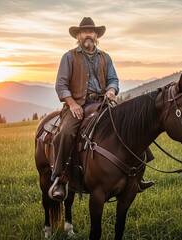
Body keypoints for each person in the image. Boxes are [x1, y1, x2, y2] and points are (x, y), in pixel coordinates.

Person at [49, 17, 153, 201]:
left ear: (96, 35)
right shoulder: (69, 56)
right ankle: (60, 178)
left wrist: (111, 90)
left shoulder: (105, 57)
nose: (88, 34)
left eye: (92, 31)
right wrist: (72, 104)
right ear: (78, 36)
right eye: (84, 31)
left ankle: (138, 175)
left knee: (129, 126)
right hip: (77, 105)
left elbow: (113, 80)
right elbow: (61, 85)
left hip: (102, 103)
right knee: (65, 133)